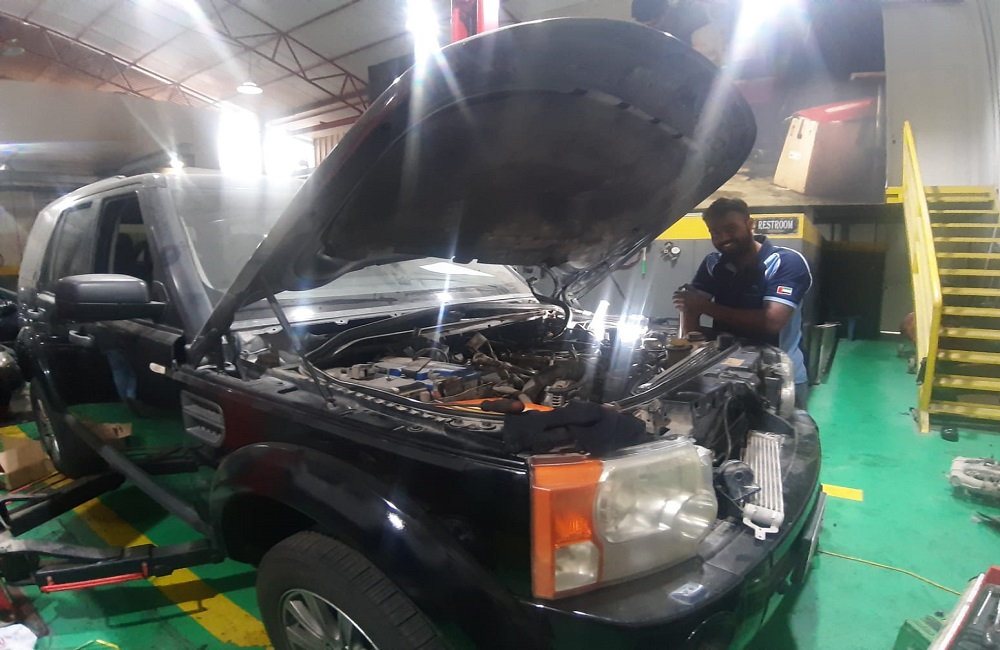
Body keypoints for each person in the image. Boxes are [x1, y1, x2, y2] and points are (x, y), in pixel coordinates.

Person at [673, 198, 813, 408]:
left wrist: (703, 306)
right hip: (724, 374)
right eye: (715, 233)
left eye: (730, 229)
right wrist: (691, 343)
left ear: (750, 224)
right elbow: (691, 310)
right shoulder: (713, 264)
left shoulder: (785, 262)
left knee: (782, 427)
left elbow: (772, 321)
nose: (723, 238)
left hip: (777, 377)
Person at [631, 0, 725, 66]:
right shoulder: (655, 28)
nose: (651, 30)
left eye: (654, 24)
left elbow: (705, 65)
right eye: (646, 26)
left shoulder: (698, 23)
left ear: (668, 12)